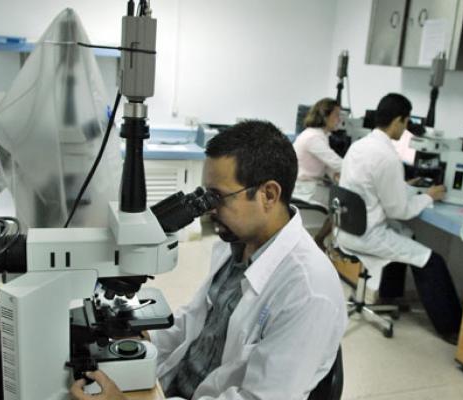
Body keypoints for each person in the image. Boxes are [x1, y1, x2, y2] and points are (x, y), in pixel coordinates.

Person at [71, 120, 347, 399]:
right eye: (205, 196)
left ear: (269, 194)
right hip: (173, 385)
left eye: (218, 197)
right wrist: (144, 339)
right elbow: (195, 321)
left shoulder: (308, 292)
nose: (207, 210)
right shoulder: (238, 246)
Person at [336, 93, 462, 344]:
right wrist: (429, 196)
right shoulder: (389, 157)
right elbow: (399, 211)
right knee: (431, 260)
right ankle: (451, 329)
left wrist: (402, 184)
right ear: (398, 121)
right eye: (405, 123)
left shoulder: (359, 145)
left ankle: (389, 296)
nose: (405, 130)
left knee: (406, 235)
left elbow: (370, 186)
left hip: (346, 228)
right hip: (367, 234)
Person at [292, 98, 344, 249]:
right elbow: (336, 163)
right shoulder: (314, 137)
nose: (339, 119)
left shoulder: (318, 135)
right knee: (343, 203)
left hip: (308, 184)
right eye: (336, 115)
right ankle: (320, 240)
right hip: (304, 188)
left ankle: (323, 240)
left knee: (341, 196)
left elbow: (328, 165)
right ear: (324, 116)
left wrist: (336, 175)